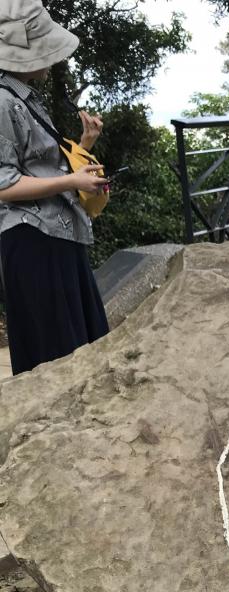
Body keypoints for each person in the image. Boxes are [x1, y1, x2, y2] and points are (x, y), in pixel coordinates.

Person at [0, 0, 109, 376]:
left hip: (56, 236)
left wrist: (85, 144)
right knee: (57, 359)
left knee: (79, 350)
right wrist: (73, 181)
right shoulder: (3, 102)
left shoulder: (23, 98)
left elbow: (40, 165)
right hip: (33, 241)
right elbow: (4, 184)